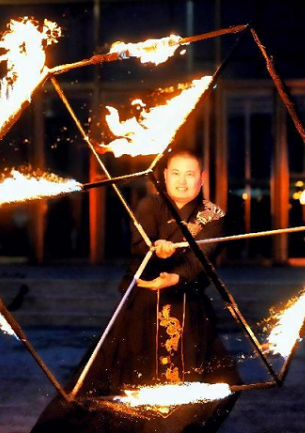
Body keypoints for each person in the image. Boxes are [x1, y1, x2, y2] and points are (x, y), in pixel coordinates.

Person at [31, 150, 240, 433]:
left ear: (201, 179)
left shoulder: (212, 215)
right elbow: (141, 247)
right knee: (124, 383)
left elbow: (201, 259)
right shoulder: (149, 206)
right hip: (143, 307)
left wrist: (175, 276)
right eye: (175, 173)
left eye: (190, 174)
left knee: (220, 381)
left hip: (187, 308)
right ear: (164, 176)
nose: (182, 181)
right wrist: (158, 251)